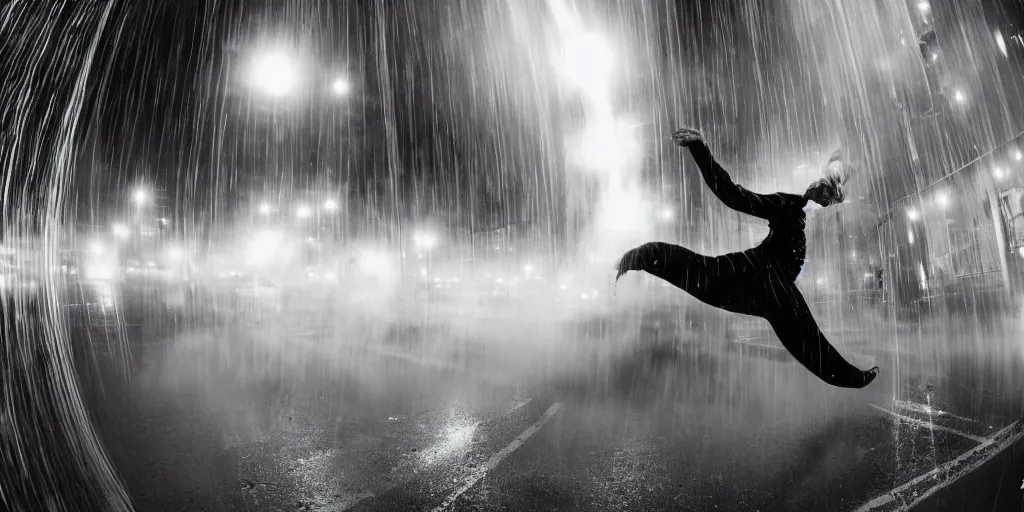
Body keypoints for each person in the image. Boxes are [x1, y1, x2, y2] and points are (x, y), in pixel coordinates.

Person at [616, 127, 879, 389]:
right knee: (698, 273)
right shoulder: (786, 206)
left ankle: (637, 258)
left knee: (699, 274)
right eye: (827, 192)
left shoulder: (799, 212)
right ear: (821, 189)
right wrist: (700, 149)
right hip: (761, 276)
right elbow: (733, 195)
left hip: (765, 284)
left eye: (831, 196)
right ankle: (638, 257)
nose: (827, 199)